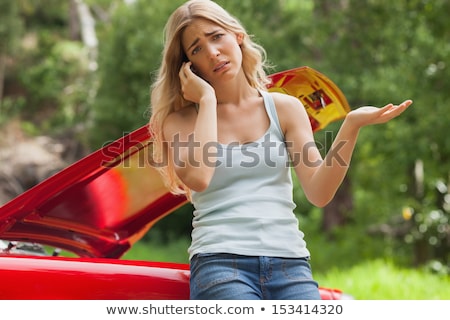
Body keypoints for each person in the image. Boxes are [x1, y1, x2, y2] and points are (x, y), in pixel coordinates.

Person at [148, 0, 412, 300]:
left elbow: (319, 192)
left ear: (237, 35)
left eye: (216, 36)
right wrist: (206, 100)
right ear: (188, 67)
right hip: (220, 264)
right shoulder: (180, 121)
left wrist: (350, 126)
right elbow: (199, 177)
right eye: (196, 49)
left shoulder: (285, 108)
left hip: (291, 263)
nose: (211, 52)